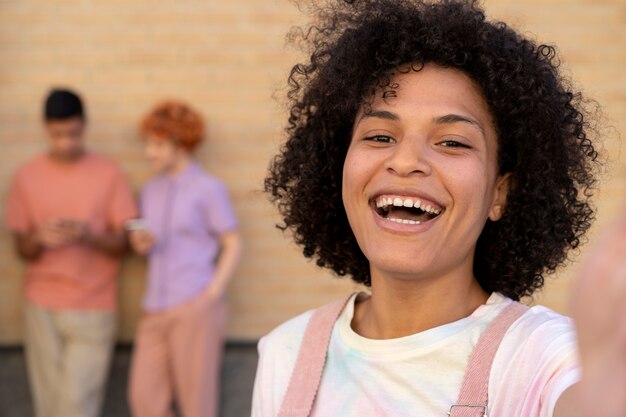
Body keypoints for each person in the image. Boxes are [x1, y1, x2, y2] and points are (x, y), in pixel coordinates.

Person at [251, 1, 625, 416]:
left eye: (452, 142)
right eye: (379, 136)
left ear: (499, 193)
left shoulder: (543, 355)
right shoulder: (286, 351)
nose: (406, 160)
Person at [4, 88, 138, 417]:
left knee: (77, 407)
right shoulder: (26, 176)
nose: (66, 142)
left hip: (94, 306)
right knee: (48, 408)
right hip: (41, 305)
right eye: (58, 134)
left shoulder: (110, 174)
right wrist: (38, 237)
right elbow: (22, 250)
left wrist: (89, 236)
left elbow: (126, 245)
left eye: (73, 133)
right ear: (46, 128)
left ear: (85, 126)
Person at [127, 100, 242, 417]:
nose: (149, 151)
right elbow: (150, 242)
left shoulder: (208, 188)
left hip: (195, 304)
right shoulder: (150, 190)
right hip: (154, 308)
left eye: (158, 144)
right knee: (144, 399)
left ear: (181, 144)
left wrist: (212, 293)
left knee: (197, 404)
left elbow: (232, 242)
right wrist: (141, 244)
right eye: (148, 143)